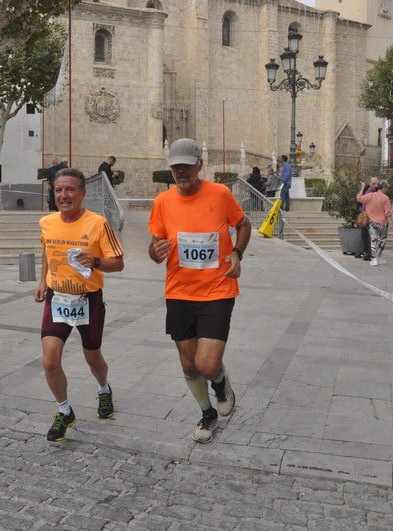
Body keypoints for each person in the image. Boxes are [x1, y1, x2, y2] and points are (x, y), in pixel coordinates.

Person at [148, 138, 252, 444]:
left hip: (218, 290)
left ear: (199, 165)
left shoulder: (220, 194)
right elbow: (154, 247)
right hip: (179, 292)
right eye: (175, 166)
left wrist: (237, 253)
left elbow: (244, 225)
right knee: (188, 363)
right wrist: (155, 252)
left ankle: (220, 382)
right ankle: (207, 413)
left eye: (186, 166)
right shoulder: (162, 202)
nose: (181, 172)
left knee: (206, 364)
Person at [35, 167, 125, 442]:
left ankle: (103, 389)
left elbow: (118, 263)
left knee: (92, 357)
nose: (63, 195)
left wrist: (95, 261)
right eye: (59, 189)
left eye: (70, 189)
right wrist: (42, 281)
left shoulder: (98, 223)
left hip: (88, 300)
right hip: (57, 298)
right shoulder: (47, 222)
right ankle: (64, 411)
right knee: (50, 361)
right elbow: (48, 251)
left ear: (83, 194)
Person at [356, 179, 391, 266]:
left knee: (373, 240)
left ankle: (374, 259)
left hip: (372, 222)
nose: (387, 189)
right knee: (382, 240)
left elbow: (359, 198)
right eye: (386, 187)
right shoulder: (386, 198)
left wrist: (362, 188)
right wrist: (391, 224)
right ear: (384, 187)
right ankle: (378, 257)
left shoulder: (370, 196)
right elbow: (387, 213)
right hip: (383, 223)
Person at [355, 177, 379, 261]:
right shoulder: (366, 189)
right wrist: (362, 187)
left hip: (373, 216)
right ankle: (364, 252)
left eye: (377, 183)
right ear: (370, 183)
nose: (376, 185)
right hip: (365, 215)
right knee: (364, 235)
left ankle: (369, 253)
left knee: (371, 236)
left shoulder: (377, 192)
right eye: (374, 183)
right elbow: (359, 198)